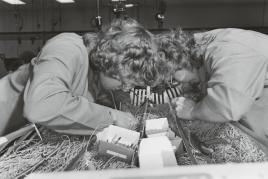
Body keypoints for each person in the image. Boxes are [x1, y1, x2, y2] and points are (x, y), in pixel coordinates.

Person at [0, 17, 158, 135]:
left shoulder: (97, 73)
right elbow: (42, 106)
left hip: (26, 134)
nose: (126, 88)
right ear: (110, 61)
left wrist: (124, 109)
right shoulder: (67, 48)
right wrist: (112, 117)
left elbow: (107, 98)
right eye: (125, 81)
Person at [156, 28, 268, 149]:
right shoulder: (201, 48)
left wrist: (192, 111)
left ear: (179, 64)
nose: (177, 83)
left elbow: (228, 106)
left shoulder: (227, 53)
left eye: (172, 78)